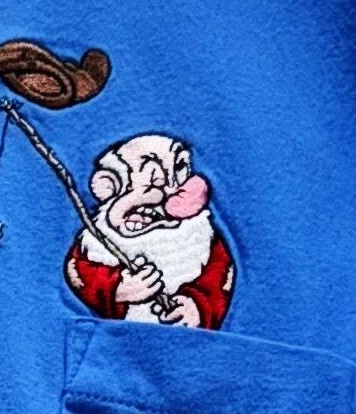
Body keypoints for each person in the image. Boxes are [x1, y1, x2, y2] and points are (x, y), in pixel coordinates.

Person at [63, 129, 233, 326]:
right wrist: (117, 288)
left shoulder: (200, 238)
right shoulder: (96, 245)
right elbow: (78, 271)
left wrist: (197, 306)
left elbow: (220, 274)